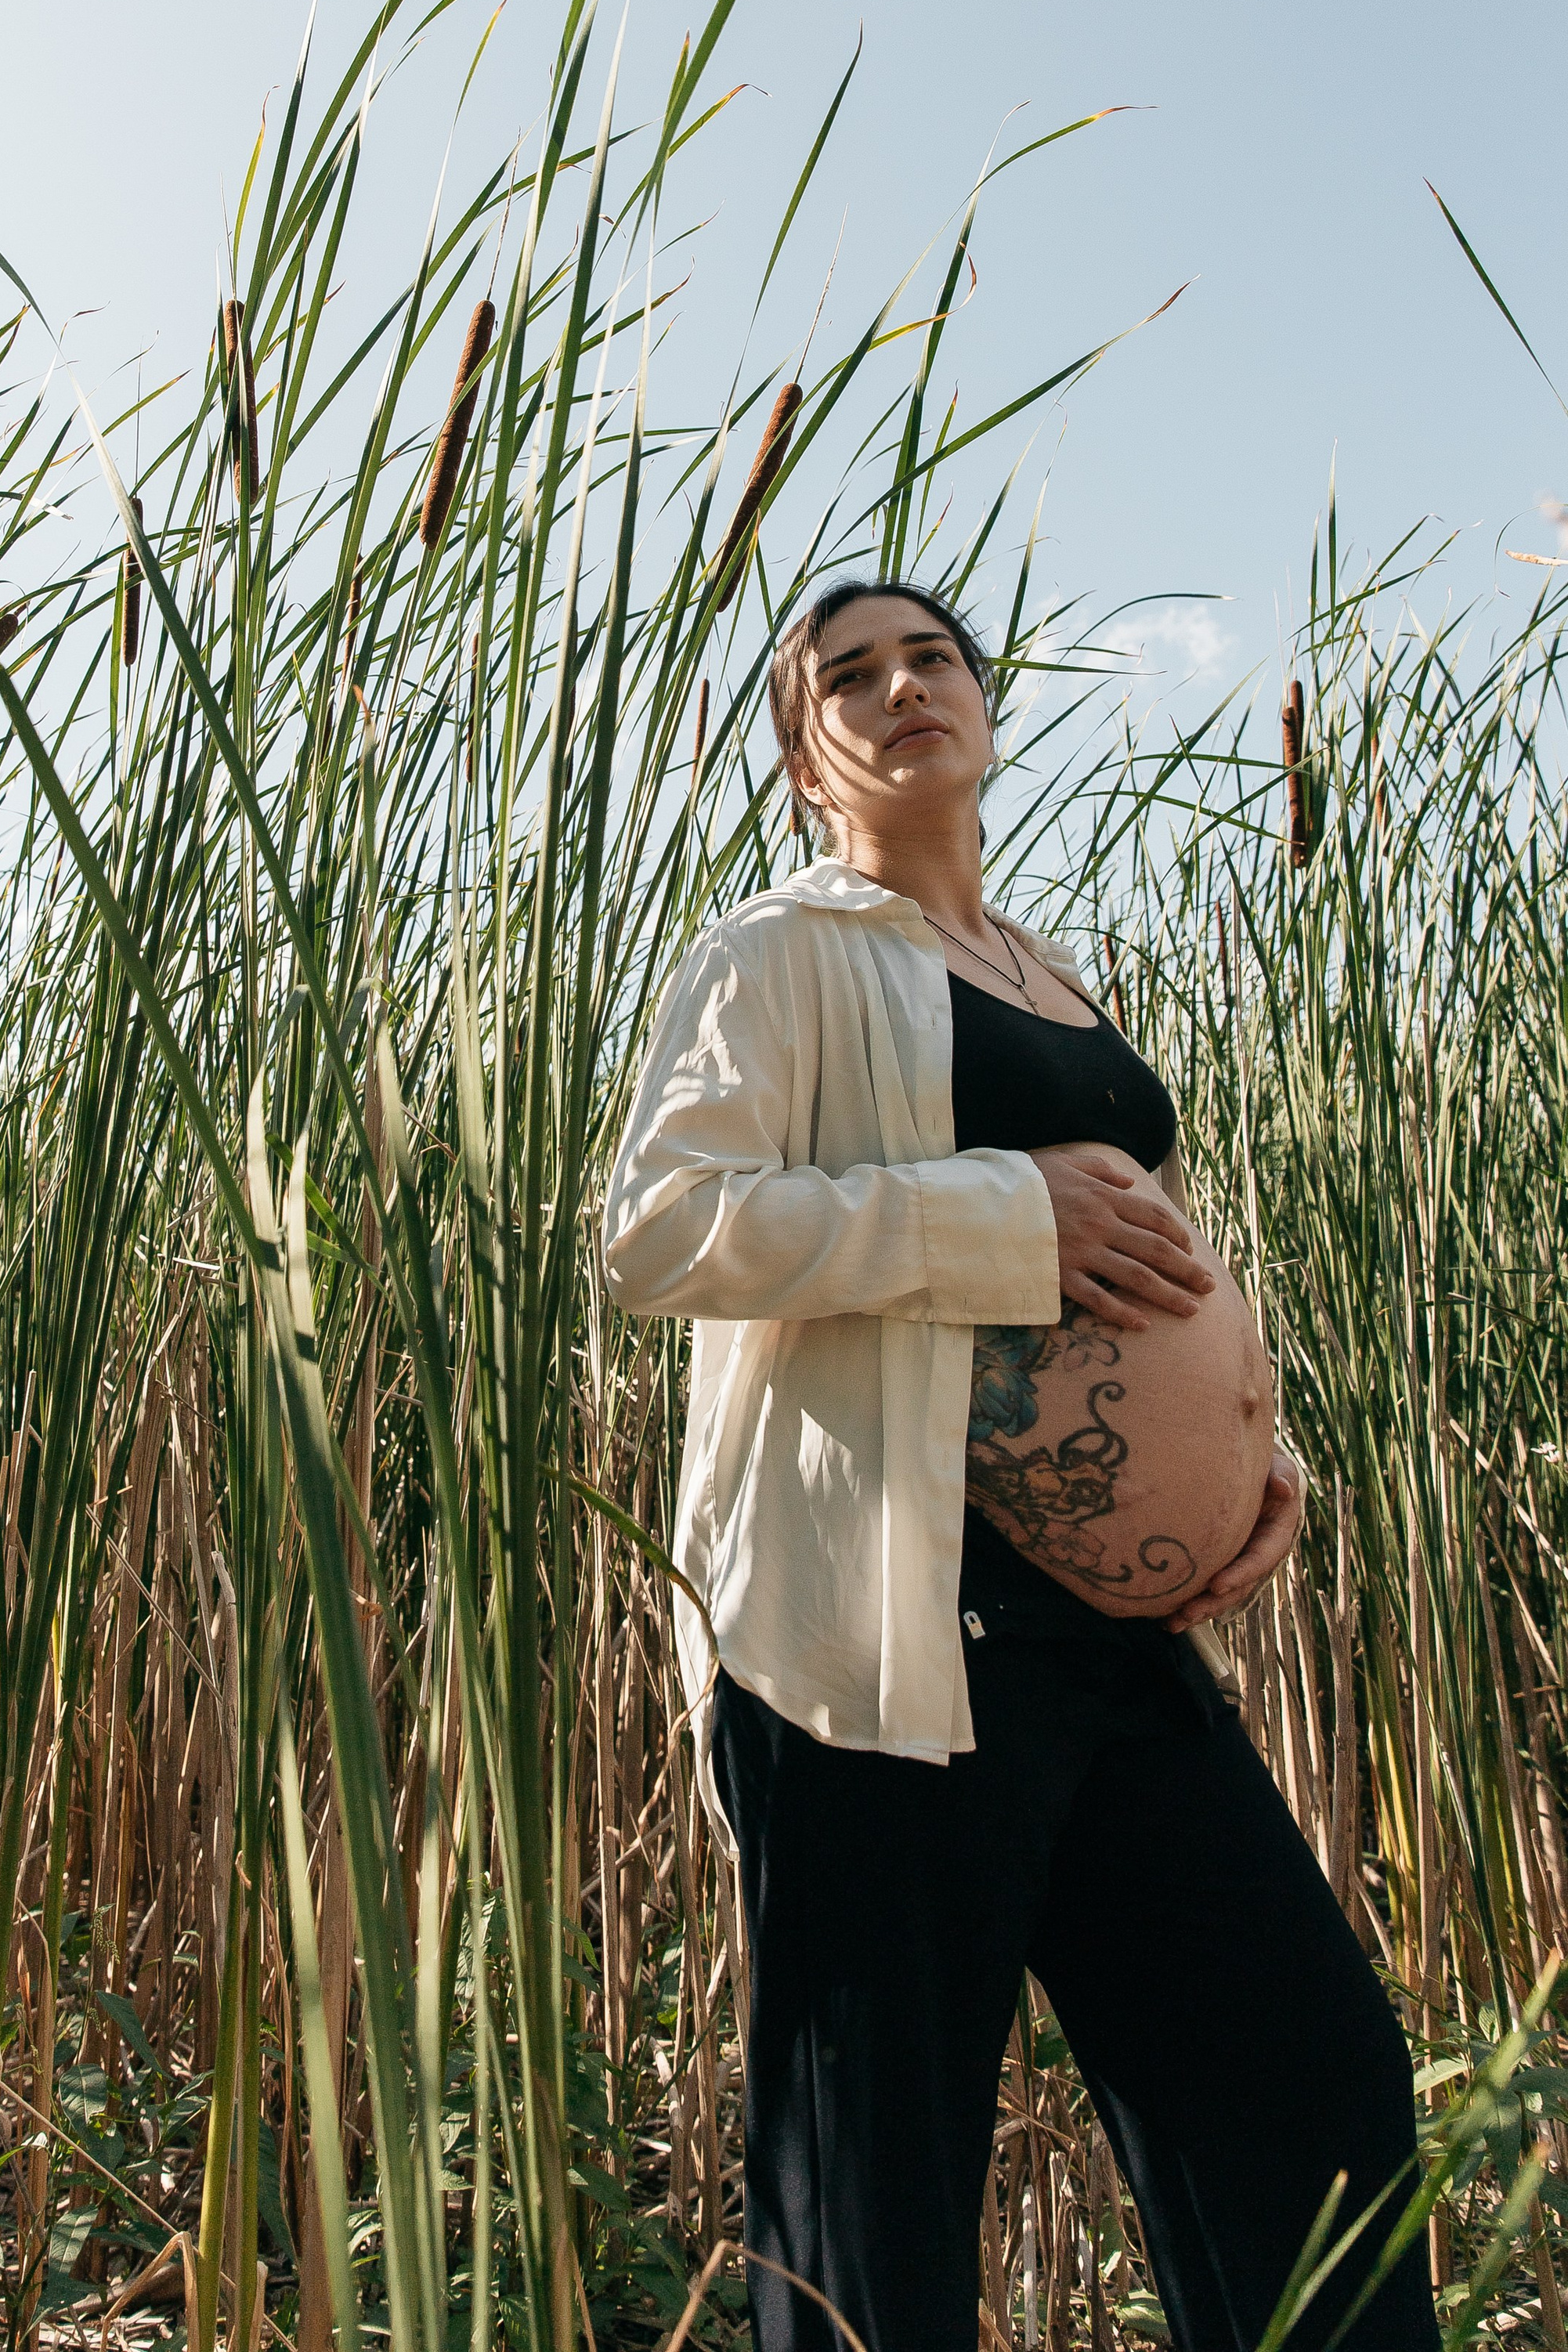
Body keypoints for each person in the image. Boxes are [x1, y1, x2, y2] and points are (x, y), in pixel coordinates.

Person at [601, 578, 1434, 2352]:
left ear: (984, 705)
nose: (900, 685)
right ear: (798, 751)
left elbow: (1132, 1265)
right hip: (882, 1650)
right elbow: (658, 1234)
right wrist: (998, 1210)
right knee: (871, 2199)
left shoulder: (1047, 972)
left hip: (1110, 1645)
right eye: (847, 672)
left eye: (932, 657)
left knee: (1309, 2092)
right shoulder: (778, 952)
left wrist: (1231, 1469)